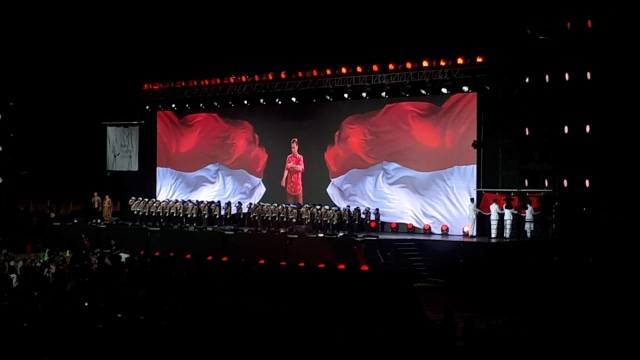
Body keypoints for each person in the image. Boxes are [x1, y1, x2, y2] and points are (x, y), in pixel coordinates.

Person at [281, 137, 305, 205]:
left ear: (297, 147)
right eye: (292, 148)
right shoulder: (289, 157)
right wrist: (284, 179)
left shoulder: (300, 157)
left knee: (299, 207)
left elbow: (301, 168)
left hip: (298, 186)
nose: (293, 149)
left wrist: (291, 166)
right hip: (290, 186)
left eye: (294, 147)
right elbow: (286, 168)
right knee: (289, 206)